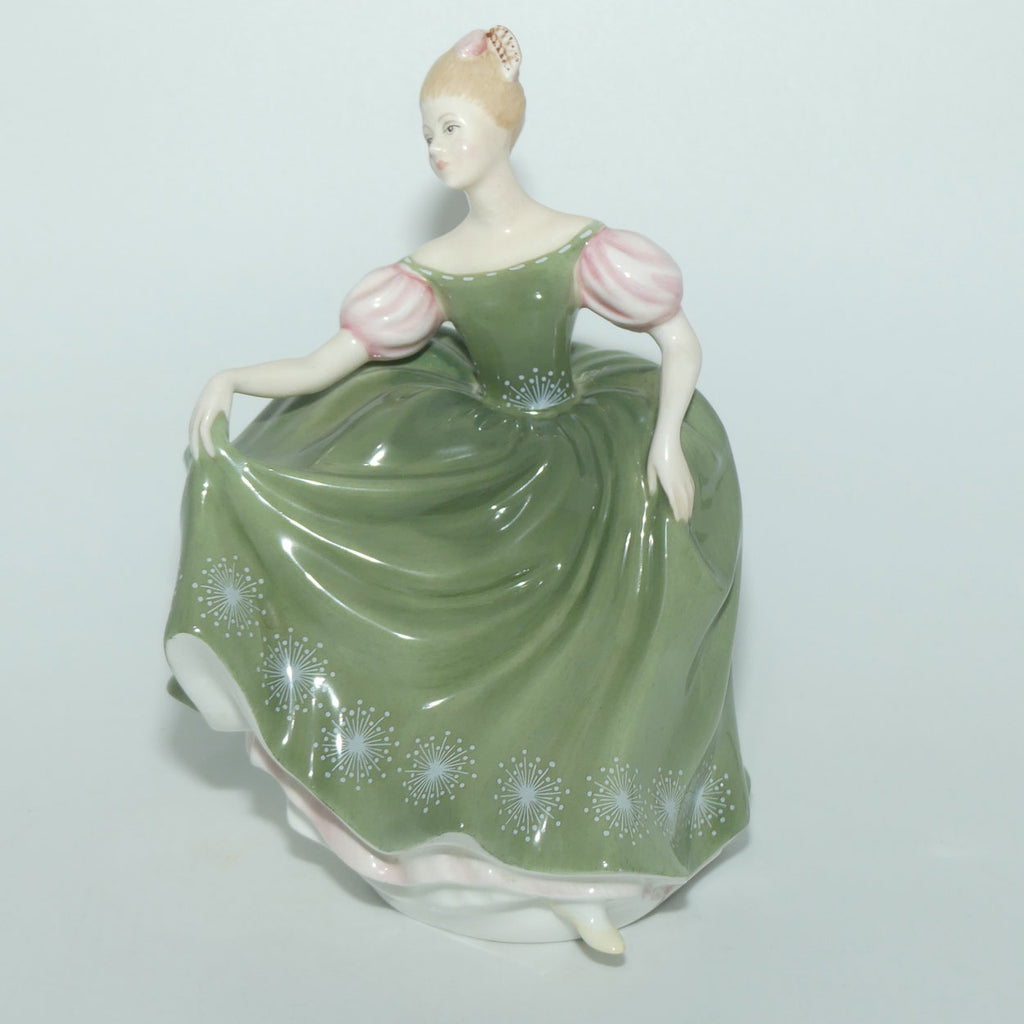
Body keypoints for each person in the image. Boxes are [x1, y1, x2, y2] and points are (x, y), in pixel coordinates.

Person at [167, 26, 748, 955]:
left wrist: (670, 438)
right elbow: (324, 367)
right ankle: (478, 849)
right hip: (482, 440)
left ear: (502, 128)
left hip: (583, 440)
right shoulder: (432, 270)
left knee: (623, 586)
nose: (436, 149)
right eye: (427, 132)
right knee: (424, 581)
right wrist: (232, 378)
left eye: (450, 126)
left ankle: (598, 860)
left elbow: (677, 339)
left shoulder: (578, 243)